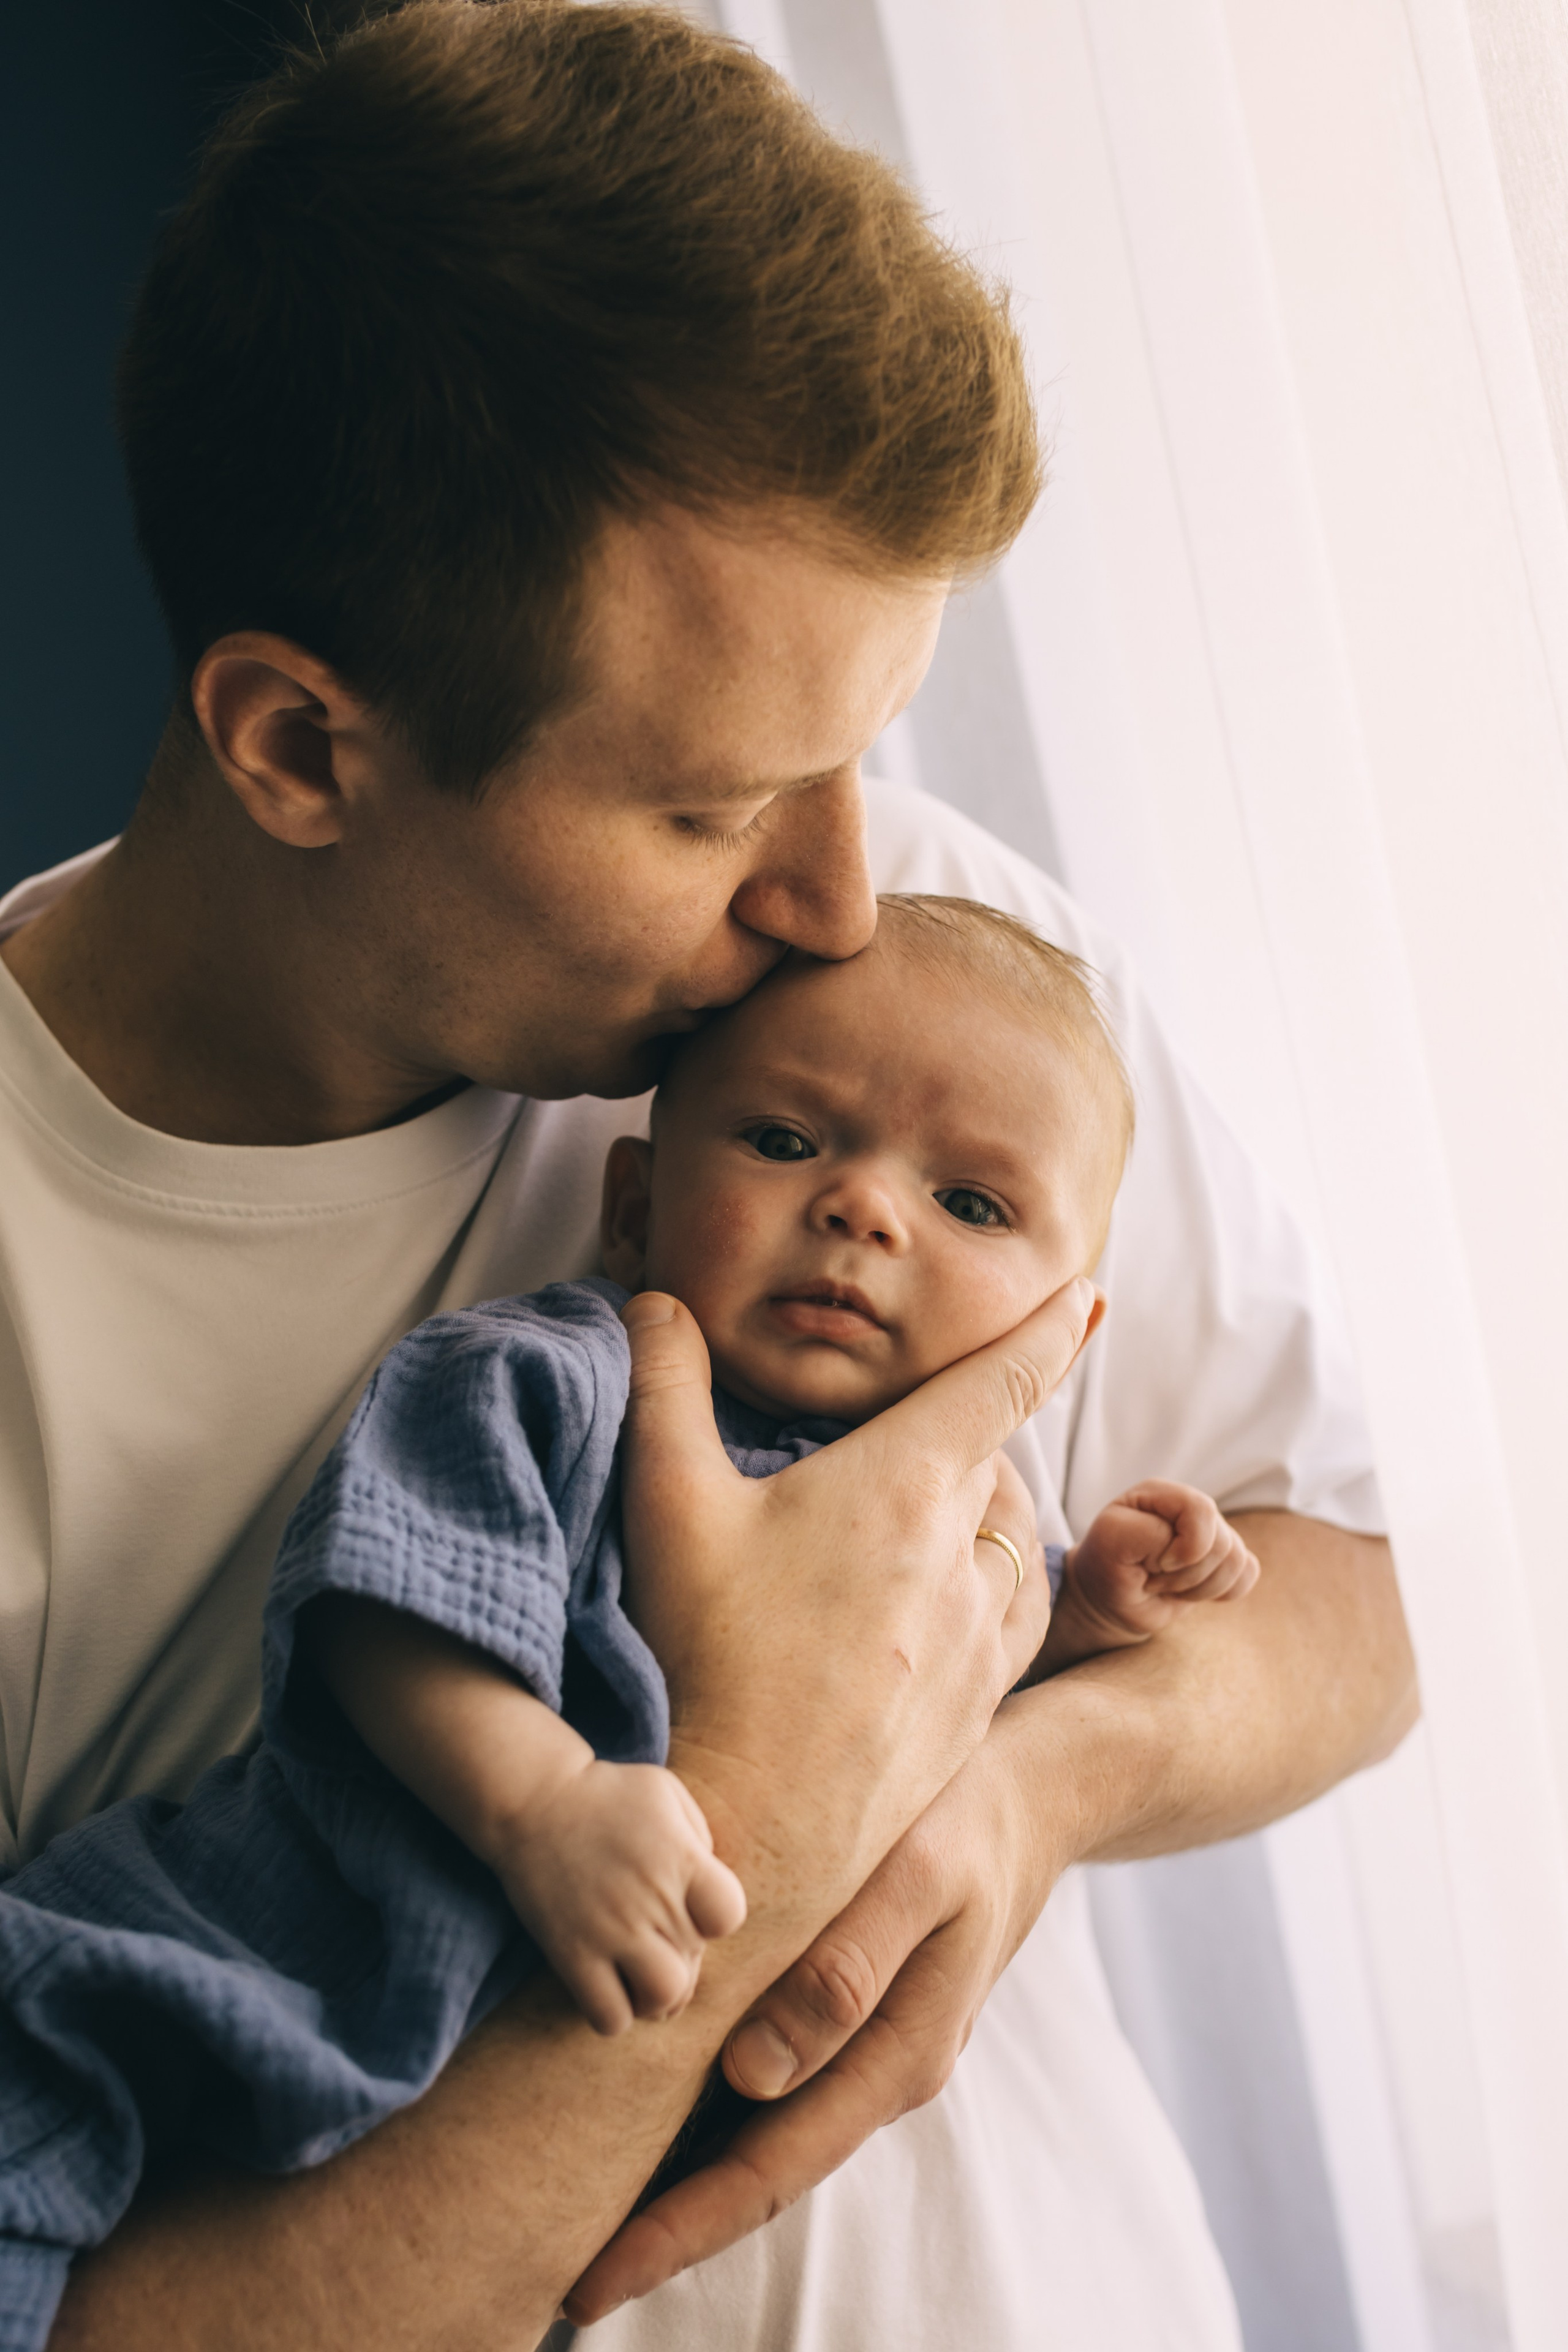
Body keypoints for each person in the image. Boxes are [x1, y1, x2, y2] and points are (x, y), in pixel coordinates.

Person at [0, 6, 1414, 2346]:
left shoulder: (910, 996)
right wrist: (768, 1828)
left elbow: (1358, 1596)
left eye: (867, 752)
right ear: (298, 744)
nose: (844, 896)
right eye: (713, 804)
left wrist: (1033, 1784)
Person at [0, 897, 1265, 2319]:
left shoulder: (972, 1521)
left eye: (968, 1204)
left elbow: (957, 1703)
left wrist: (1091, 1610)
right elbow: (381, 1606)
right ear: (631, 1205)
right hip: (212, 1967)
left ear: (1066, 1326)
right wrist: (538, 1800)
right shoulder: (547, 1378)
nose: (861, 1209)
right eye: (784, 1141)